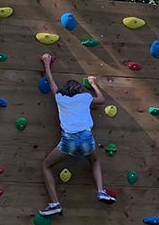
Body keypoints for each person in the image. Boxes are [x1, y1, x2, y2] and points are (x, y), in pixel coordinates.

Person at [38, 53, 116, 216]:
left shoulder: (60, 98)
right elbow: (101, 100)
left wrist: (46, 64)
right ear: (79, 90)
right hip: (86, 137)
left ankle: (55, 203)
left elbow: (51, 82)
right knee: (94, 161)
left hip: (70, 140)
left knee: (46, 165)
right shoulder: (85, 97)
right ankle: (101, 191)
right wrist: (93, 84)